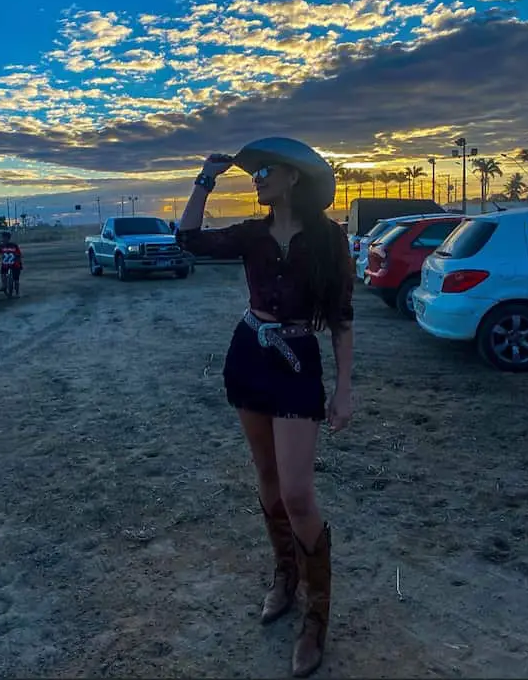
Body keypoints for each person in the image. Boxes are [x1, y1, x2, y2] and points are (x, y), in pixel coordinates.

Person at [176, 137, 354, 677]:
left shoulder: (328, 240)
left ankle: (317, 618)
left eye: (264, 172)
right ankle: (285, 576)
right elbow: (188, 240)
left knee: (299, 493)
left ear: (293, 178)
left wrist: (345, 387)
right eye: (253, 175)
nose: (255, 180)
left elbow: (342, 318)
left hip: (299, 362)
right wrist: (204, 179)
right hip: (250, 356)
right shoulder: (252, 234)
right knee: (268, 478)